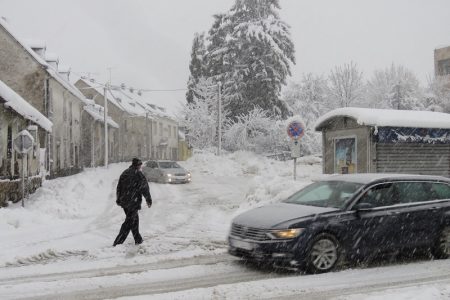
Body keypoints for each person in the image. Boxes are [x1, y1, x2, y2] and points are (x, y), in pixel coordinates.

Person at [113, 158, 152, 246]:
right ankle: (118, 243)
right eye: (140, 165)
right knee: (129, 222)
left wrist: (119, 199)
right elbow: (144, 188)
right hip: (133, 203)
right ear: (138, 165)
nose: (140, 167)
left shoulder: (125, 173)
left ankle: (138, 240)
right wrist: (148, 199)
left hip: (125, 203)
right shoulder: (138, 174)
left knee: (134, 221)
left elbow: (119, 187)